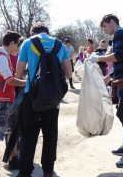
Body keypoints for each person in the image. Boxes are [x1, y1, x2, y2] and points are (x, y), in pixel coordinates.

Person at [15, 22, 72, 177]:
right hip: (53, 99)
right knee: (50, 134)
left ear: (33, 32)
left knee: (28, 135)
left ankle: (25, 171)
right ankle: (48, 170)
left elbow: (18, 73)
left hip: (31, 96)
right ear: (47, 32)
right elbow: (69, 74)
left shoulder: (28, 43)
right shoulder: (60, 45)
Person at [87, 14, 123, 168]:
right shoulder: (120, 34)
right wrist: (108, 77)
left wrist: (99, 58)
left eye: (105, 26)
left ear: (112, 22)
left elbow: (119, 56)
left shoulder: (120, 33)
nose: (105, 30)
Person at [0, 31, 26, 177]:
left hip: (9, 99)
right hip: (0, 101)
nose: (19, 47)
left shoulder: (4, 55)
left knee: (11, 131)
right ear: (11, 43)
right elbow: (10, 80)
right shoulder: (1, 57)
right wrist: (27, 83)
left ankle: (13, 158)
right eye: (18, 44)